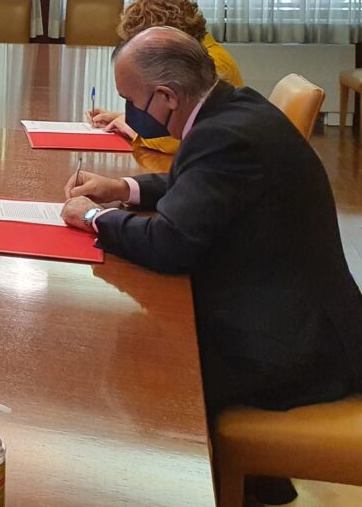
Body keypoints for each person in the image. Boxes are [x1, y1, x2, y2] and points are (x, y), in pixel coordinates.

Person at [63, 26, 362, 418]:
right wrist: (122, 187)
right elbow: (200, 183)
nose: (129, 112)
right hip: (286, 315)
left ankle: (230, 460)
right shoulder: (234, 107)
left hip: (288, 347)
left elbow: (168, 243)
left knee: (136, 380)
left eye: (131, 100)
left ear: (168, 96)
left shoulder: (222, 136)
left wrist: (92, 217)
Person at [89, 0, 243, 156]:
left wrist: (136, 133)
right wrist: (122, 118)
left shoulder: (210, 63)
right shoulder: (196, 54)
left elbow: (184, 138)